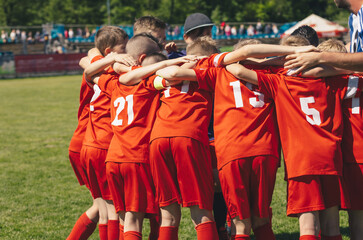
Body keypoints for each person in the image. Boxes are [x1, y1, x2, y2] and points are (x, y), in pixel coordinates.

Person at [154, 43, 317, 240]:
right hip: (265, 150)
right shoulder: (273, 72)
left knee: (240, 223)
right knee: (262, 219)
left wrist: (190, 62)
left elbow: (169, 73)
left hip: (231, 151)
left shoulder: (218, 73)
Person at [224, 45, 363, 240]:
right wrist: (328, 63)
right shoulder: (333, 81)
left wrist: (228, 61)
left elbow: (237, 69)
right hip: (330, 156)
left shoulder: (281, 81)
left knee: (308, 225)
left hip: (301, 160)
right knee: (332, 224)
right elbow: (354, 70)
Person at [86, 34, 193, 240]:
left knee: (126, 220)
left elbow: (90, 75)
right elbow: (172, 76)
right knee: (141, 217)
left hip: (114, 158)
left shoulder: (113, 83)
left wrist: (113, 63)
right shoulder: (149, 84)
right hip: (136, 157)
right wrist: (172, 60)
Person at [148, 36, 219, 240]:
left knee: (168, 214)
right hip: (188, 137)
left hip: (158, 138)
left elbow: (165, 75)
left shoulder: (168, 74)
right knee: (201, 210)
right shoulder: (211, 72)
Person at [80, 26, 129, 240]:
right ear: (110, 52)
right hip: (104, 145)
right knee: (114, 211)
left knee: (103, 208)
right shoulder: (117, 74)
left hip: (88, 143)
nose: (127, 52)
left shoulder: (99, 69)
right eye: (123, 48)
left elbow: (88, 59)